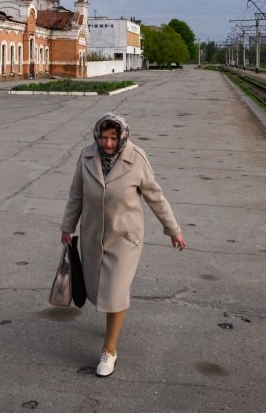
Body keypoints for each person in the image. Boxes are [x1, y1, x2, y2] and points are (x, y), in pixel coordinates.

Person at [60, 112, 186, 378]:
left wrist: (173, 229)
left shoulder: (137, 158)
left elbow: (155, 197)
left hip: (126, 238)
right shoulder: (86, 156)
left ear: (122, 136)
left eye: (113, 137)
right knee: (98, 289)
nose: (107, 143)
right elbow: (76, 194)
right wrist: (67, 227)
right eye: (103, 137)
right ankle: (111, 326)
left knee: (115, 290)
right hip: (94, 235)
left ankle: (109, 350)